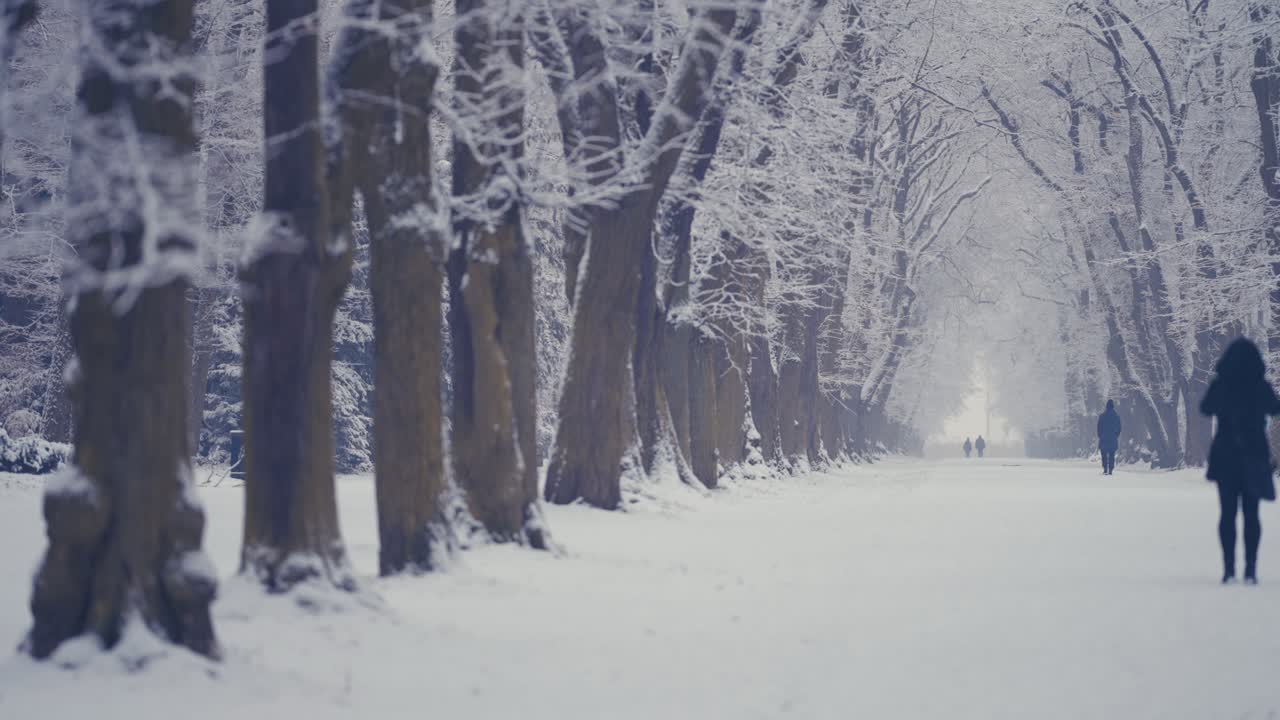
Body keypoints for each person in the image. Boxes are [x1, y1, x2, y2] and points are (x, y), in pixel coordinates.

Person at [1200, 338, 1280, 585]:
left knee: (1227, 514)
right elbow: (1276, 408)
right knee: (1251, 514)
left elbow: (1206, 408)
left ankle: (1228, 569)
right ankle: (1251, 569)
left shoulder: (1221, 385)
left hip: (1226, 456)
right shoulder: (1259, 385)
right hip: (1254, 455)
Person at [1097, 400, 1122, 475]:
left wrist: (1100, 435)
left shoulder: (1102, 416)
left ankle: (1105, 468)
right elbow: (1119, 428)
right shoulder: (1116, 416)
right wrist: (1116, 435)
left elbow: (1099, 427)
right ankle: (1110, 469)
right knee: (1112, 454)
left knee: (1103, 453)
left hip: (1103, 438)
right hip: (1112, 438)